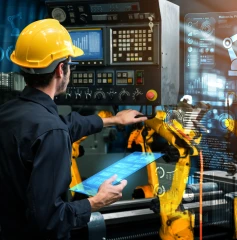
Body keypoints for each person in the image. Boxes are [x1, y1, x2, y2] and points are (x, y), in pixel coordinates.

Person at [0, 19, 147, 240]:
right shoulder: (51, 131)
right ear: (61, 69)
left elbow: (65, 124)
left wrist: (114, 120)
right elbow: (50, 221)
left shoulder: (9, 111)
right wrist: (96, 202)